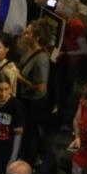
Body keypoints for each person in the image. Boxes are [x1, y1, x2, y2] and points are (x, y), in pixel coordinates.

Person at [16, 19, 52, 165]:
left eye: (28, 32)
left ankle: (29, 162)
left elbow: (42, 87)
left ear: (37, 37)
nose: (25, 33)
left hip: (33, 104)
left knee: (30, 133)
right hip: (25, 100)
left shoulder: (42, 59)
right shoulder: (28, 49)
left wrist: (20, 79)